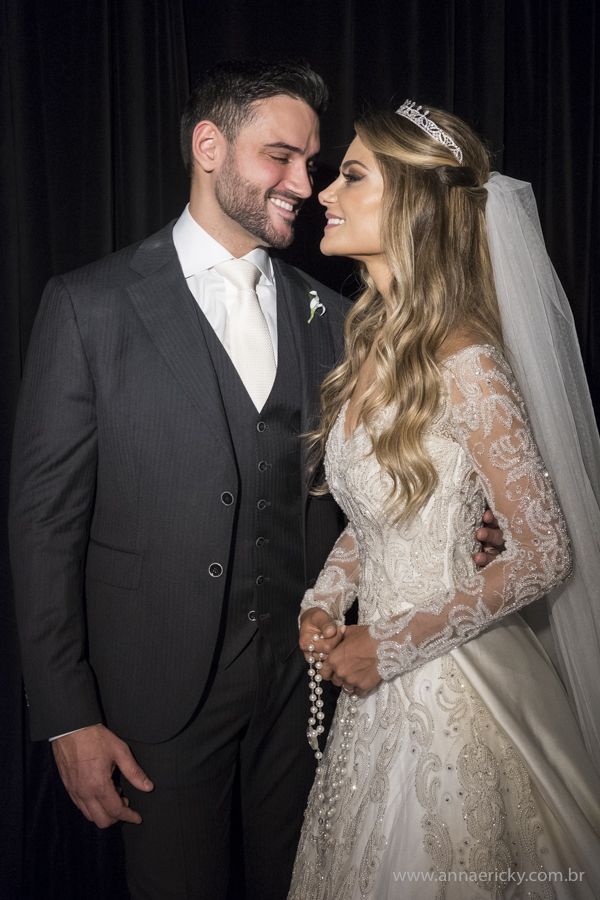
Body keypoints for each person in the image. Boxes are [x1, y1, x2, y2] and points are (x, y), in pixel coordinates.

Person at [8, 62, 503, 900]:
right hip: (156, 702)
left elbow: (388, 479)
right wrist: (68, 715)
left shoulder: (342, 319)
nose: (305, 186)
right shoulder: (88, 308)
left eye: (314, 164)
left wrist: (470, 520)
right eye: (281, 157)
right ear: (209, 146)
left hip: (311, 695)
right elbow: (43, 526)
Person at [289, 102, 600, 899]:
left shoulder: (468, 356)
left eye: (352, 175)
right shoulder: (374, 343)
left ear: (415, 205)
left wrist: (389, 644)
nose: (325, 191)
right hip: (375, 684)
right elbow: (376, 517)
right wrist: (324, 603)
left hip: (454, 683)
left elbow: (544, 553)